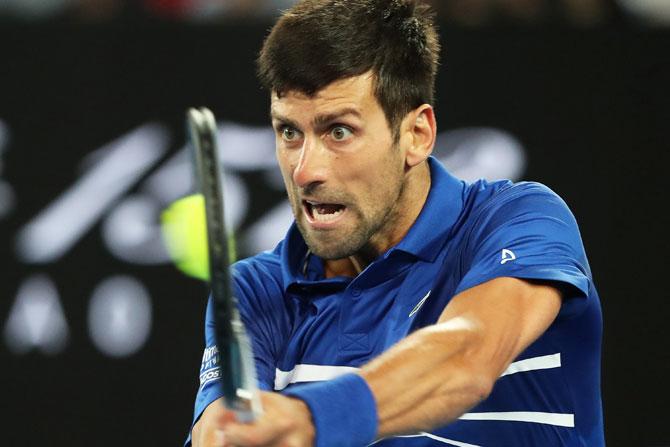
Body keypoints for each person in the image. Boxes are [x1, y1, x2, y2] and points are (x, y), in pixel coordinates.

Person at [187, 0, 604, 446]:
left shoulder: (518, 220)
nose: (305, 171)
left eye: (339, 131)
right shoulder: (254, 292)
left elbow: (466, 359)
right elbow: (222, 430)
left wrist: (307, 419)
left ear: (416, 135)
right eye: (290, 132)